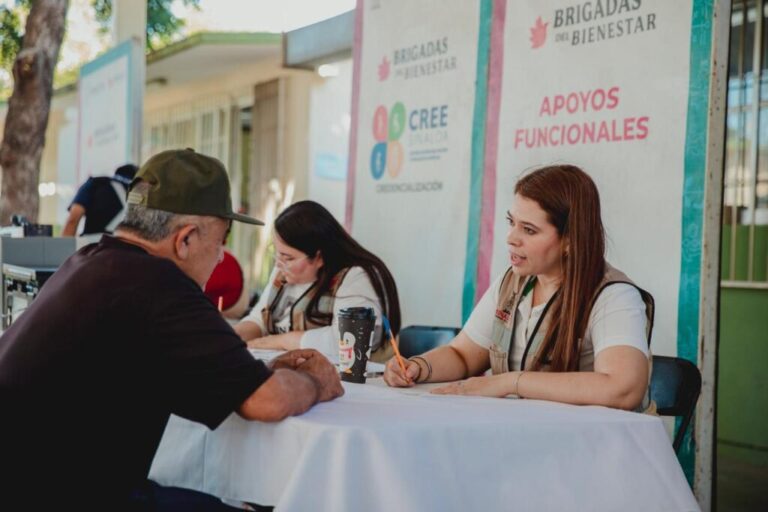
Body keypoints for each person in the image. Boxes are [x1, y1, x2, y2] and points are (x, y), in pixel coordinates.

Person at [0, 149, 344, 510]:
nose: (220, 257)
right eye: (221, 241)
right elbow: (267, 400)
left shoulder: (86, 262)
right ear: (186, 239)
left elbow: (206, 377)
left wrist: (260, 373)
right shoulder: (161, 286)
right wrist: (317, 381)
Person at [384, 164, 655, 411]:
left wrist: (509, 383)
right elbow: (463, 355)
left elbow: (623, 389)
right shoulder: (513, 283)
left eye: (529, 230)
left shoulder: (613, 295)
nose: (511, 239)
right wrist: (419, 366)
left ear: (570, 240)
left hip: (586, 450)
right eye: (511, 223)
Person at [234, 200, 401, 363]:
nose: (278, 263)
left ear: (319, 257)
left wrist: (280, 341)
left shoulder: (356, 277)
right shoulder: (284, 272)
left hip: (355, 382)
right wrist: (230, 337)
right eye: (277, 253)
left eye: (288, 258)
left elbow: (351, 341)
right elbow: (259, 319)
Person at [62, 163, 138, 236]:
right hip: (128, 247)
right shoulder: (140, 194)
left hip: (94, 245)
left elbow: (73, 219)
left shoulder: (96, 184)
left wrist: (66, 247)